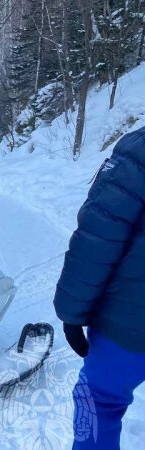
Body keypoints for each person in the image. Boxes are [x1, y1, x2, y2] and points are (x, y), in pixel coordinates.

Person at [53, 126, 145, 450]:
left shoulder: (139, 151)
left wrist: (71, 311)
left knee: (99, 402)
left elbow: (98, 237)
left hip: (131, 325)